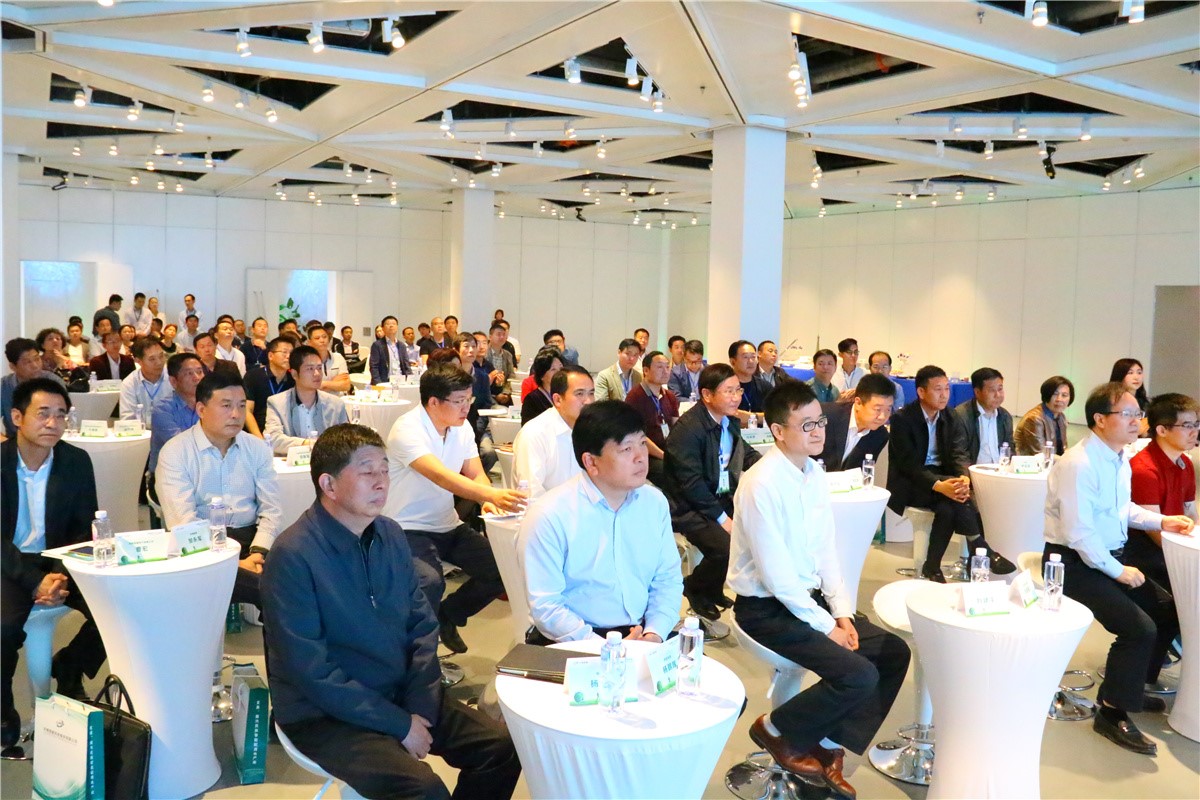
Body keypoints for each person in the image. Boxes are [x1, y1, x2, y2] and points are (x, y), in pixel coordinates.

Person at [263, 425, 521, 800]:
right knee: (425, 789)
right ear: (328, 484)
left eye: (385, 470)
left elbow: (422, 626)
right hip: (324, 713)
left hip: (397, 689)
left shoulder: (390, 534)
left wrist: (419, 706)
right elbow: (312, 671)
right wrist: (400, 725)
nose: (381, 482)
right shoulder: (293, 556)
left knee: (500, 748)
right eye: (367, 472)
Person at [728, 381, 910, 799]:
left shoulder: (813, 473)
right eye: (806, 425)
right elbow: (777, 578)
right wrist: (827, 626)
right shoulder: (760, 484)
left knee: (892, 653)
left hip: (807, 602)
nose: (818, 432)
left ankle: (824, 745)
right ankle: (776, 729)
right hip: (765, 609)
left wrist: (842, 614)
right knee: (859, 675)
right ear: (778, 431)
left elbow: (827, 552)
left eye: (820, 422)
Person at [1043, 382, 1193, 756]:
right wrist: (1118, 571)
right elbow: (1079, 534)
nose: (1136, 421)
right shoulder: (1078, 464)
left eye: (1137, 414)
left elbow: (1122, 509)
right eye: (1127, 414)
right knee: (1138, 628)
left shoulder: (1119, 457)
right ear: (1099, 419)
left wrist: (1162, 521)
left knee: (1166, 609)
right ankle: (1111, 713)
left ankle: (1130, 687)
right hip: (1072, 563)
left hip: (1103, 555)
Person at [384, 365, 526, 653]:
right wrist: (491, 494)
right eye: (459, 401)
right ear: (434, 402)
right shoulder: (407, 428)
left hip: (446, 523)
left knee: (503, 568)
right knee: (429, 581)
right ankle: (418, 658)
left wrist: (486, 500)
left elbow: (475, 472)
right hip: (407, 526)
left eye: (468, 399)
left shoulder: (461, 428)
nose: (466, 408)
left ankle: (448, 615)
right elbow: (440, 476)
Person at [520, 401, 683, 645]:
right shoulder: (549, 515)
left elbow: (667, 578)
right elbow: (547, 607)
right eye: (626, 449)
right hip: (575, 639)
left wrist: (655, 633)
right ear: (591, 462)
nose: (641, 457)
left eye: (642, 443)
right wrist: (607, 648)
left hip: (642, 632)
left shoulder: (654, 502)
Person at [1, 379, 106, 756]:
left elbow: (83, 528)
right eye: (43, 413)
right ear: (17, 417)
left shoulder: (75, 461)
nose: (53, 423)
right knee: (3, 628)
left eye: (61, 415)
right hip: (9, 563)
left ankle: (71, 664)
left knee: (118, 607)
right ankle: (4, 716)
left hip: (61, 559)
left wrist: (59, 573)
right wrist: (35, 581)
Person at [156, 371, 281, 608]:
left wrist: (258, 553)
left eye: (241, 406)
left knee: (295, 580)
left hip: (250, 539)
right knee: (274, 592)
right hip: (200, 546)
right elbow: (183, 523)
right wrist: (234, 563)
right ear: (201, 409)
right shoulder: (176, 452)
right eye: (226, 405)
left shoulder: (257, 449)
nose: (236, 414)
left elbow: (272, 510)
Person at [887, 365, 1014, 582]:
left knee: (948, 508)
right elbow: (908, 465)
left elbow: (958, 453)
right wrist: (939, 485)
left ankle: (932, 567)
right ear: (921, 392)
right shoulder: (903, 419)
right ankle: (981, 547)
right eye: (938, 389)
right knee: (952, 499)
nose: (944, 394)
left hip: (942, 477)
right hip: (910, 482)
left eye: (947, 388)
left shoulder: (950, 416)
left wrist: (963, 477)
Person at [663, 363, 762, 620]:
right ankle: (694, 588)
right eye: (728, 391)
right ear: (707, 395)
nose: (736, 397)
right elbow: (691, 484)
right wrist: (722, 518)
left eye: (738, 390)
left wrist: (769, 465)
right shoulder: (688, 430)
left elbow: (744, 453)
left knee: (753, 534)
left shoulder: (729, 421)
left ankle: (713, 590)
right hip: (688, 506)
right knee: (726, 547)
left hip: (718, 496)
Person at [1128, 393, 1199, 593]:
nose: (1194, 432)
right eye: (1187, 426)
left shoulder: (1185, 463)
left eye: (1196, 424)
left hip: (1175, 543)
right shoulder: (1144, 469)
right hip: (1147, 552)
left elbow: (1191, 513)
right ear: (1162, 430)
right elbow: (1154, 531)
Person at [513, 366, 595, 500]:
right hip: (546, 511)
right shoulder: (534, 434)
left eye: (591, 393)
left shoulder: (592, 431)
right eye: (580, 394)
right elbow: (531, 494)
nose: (589, 401)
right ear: (557, 400)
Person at [265, 345, 349, 455]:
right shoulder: (277, 402)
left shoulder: (336, 404)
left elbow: (346, 438)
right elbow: (273, 438)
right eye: (310, 369)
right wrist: (309, 443)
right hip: (291, 463)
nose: (317, 374)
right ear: (294, 374)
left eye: (319, 368)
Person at [818, 373, 895, 471]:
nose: (882, 417)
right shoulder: (826, 416)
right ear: (858, 403)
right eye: (877, 409)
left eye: (888, 409)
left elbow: (861, 472)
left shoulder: (880, 435)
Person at [624, 351, 679, 485]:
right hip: (646, 454)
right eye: (659, 367)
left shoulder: (670, 396)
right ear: (646, 370)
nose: (665, 371)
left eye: (667, 367)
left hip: (668, 450)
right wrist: (664, 456)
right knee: (669, 472)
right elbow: (638, 436)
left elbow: (677, 428)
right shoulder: (635, 397)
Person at [148, 354, 203, 472]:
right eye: (189, 373)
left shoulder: (209, 405)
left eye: (199, 372)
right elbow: (181, 446)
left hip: (201, 472)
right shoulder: (162, 410)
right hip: (168, 474)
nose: (197, 378)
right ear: (173, 381)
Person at [2, 340, 68, 439]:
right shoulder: (4, 386)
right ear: (13, 367)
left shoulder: (54, 382)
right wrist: (6, 444)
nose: (35, 366)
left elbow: (63, 420)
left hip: (50, 440)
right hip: (14, 441)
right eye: (27, 362)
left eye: (37, 359)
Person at [953, 367, 1015, 466]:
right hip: (974, 472)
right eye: (992, 390)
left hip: (1000, 471)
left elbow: (1010, 449)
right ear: (977, 392)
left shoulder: (1005, 416)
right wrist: (967, 475)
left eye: (1000, 389)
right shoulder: (961, 415)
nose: (998, 395)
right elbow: (960, 454)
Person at [244, 336, 296, 437]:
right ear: (271, 356)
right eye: (284, 352)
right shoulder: (253, 376)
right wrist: (259, 439)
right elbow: (247, 411)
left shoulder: (293, 379)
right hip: (257, 433)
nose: (288, 356)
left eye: (291, 353)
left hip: (284, 435)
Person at [1015, 376, 1074, 456]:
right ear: (1047, 395)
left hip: (1053, 461)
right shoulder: (1034, 418)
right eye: (1055, 394)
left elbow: (1063, 449)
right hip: (1030, 462)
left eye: (1064, 395)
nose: (1059, 399)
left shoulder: (1061, 417)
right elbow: (1041, 454)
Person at [119, 337, 171, 421]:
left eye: (161, 356)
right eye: (152, 359)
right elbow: (127, 419)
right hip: (141, 428)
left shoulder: (174, 377)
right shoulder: (129, 383)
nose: (159, 362)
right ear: (138, 361)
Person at [520, 347, 563, 426]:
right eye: (553, 369)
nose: (559, 372)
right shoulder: (532, 400)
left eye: (561, 368)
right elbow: (528, 429)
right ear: (542, 375)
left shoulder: (566, 395)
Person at [730, 340, 769, 422]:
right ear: (733, 362)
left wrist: (750, 417)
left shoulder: (765, 386)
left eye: (753, 357)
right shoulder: (725, 387)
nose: (751, 361)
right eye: (745, 357)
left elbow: (774, 415)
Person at [1111, 358, 1151, 436]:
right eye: (1130, 373)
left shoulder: (1146, 403)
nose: (1136, 377)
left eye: (1139, 373)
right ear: (1120, 375)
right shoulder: (1112, 401)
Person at [594, 338, 641, 402]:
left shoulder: (638, 376)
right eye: (628, 354)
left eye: (635, 355)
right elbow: (601, 404)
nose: (632, 358)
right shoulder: (605, 376)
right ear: (619, 352)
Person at [307, 325, 350, 395]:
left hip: (337, 399)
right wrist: (334, 382)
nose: (322, 340)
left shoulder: (338, 357)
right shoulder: (306, 362)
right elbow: (310, 390)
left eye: (324, 337)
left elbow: (346, 385)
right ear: (309, 342)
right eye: (317, 338)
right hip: (317, 400)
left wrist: (323, 384)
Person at [370, 316, 413, 384]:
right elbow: (374, 367)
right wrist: (378, 384)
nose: (391, 326)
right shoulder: (377, 345)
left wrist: (410, 381)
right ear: (383, 328)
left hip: (401, 381)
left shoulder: (402, 345)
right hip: (384, 382)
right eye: (387, 324)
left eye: (394, 324)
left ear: (397, 327)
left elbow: (406, 366)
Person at [484, 322, 516, 405]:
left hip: (503, 393)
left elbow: (511, 376)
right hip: (487, 393)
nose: (502, 337)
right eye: (498, 334)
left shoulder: (508, 355)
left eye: (504, 334)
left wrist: (505, 393)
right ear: (490, 337)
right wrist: (495, 396)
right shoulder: (484, 354)